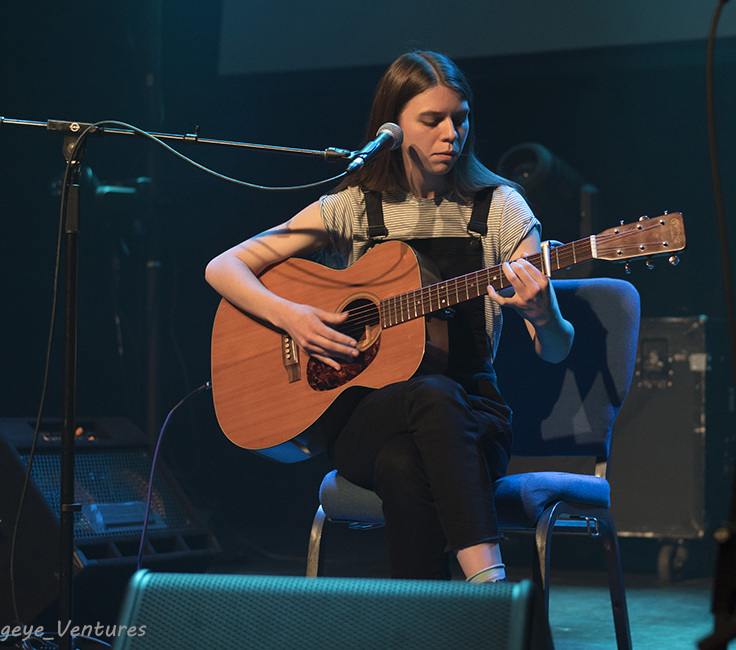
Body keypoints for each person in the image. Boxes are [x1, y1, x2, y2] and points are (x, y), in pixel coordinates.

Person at [205, 51, 574, 583]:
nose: (453, 134)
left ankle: (425, 626)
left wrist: (544, 316)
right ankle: (491, 590)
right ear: (393, 128)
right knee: (427, 398)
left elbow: (558, 349)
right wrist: (292, 318)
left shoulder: (500, 208)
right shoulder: (355, 206)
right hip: (364, 418)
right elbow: (225, 266)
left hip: (475, 421)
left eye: (461, 118)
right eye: (432, 121)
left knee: (407, 459)